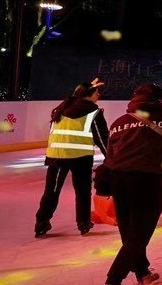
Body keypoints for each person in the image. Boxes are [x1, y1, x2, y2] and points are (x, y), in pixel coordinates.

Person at [97, 84, 162, 285]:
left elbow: (110, 152)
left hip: (117, 180)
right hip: (146, 180)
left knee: (130, 232)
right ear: (159, 100)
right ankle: (112, 284)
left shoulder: (119, 122)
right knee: (139, 235)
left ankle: (143, 274)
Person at [35, 78, 109, 238]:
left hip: (57, 157)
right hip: (80, 158)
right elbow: (102, 138)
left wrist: (87, 86)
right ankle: (83, 223)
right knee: (82, 192)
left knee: (51, 191)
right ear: (88, 95)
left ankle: (41, 222)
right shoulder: (93, 111)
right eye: (97, 92)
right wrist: (110, 157)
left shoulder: (62, 108)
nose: (99, 95)